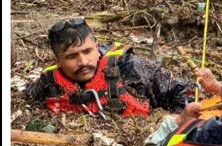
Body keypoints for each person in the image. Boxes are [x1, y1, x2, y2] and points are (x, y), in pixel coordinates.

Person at [24, 18, 194, 116]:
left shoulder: (129, 67)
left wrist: (175, 120)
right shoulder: (48, 84)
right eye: (71, 56)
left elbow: (185, 90)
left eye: (88, 51)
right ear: (58, 60)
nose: (83, 62)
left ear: (97, 47)